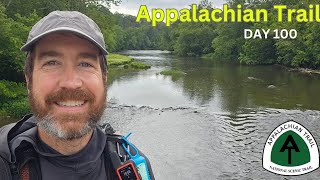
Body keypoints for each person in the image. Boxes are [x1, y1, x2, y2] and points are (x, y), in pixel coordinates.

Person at [0, 11, 154, 180]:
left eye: (85, 64)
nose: (71, 82)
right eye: (51, 63)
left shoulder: (133, 167)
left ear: (104, 78)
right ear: (28, 80)